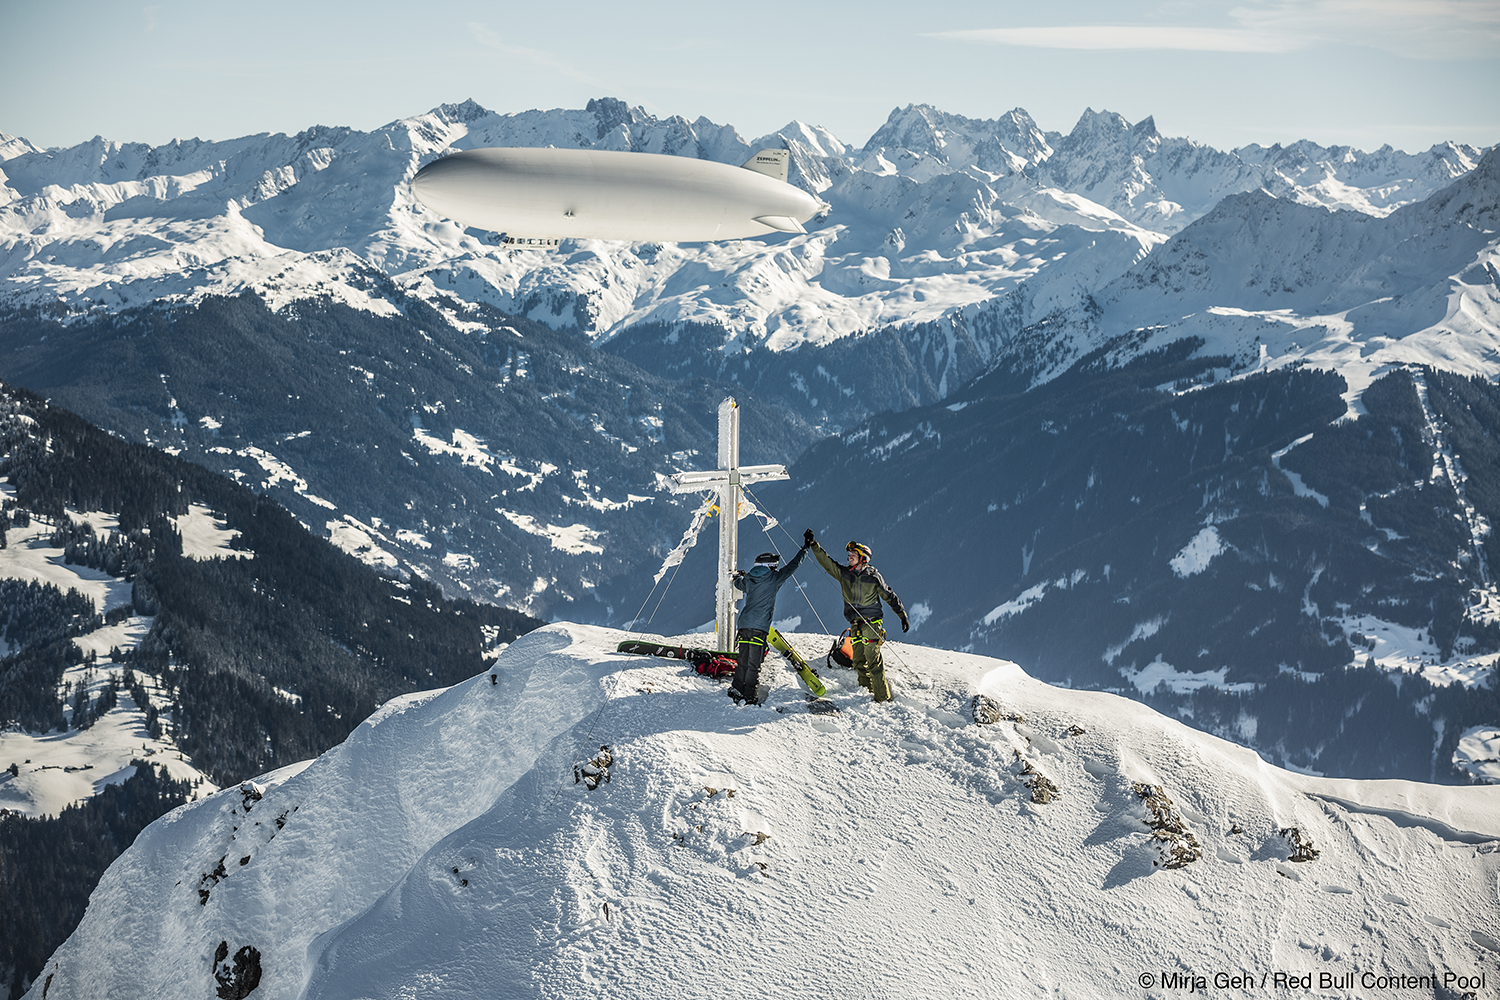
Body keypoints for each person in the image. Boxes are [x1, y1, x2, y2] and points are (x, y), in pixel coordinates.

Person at [806, 530, 908, 702]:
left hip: (872, 624)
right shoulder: (845, 574)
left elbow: (889, 595)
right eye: (849, 554)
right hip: (856, 625)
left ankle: (882, 698)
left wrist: (902, 614)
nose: (849, 557)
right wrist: (814, 545)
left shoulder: (874, 576)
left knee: (873, 662)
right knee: (859, 661)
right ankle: (867, 695)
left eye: (853, 554)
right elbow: (827, 563)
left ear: (863, 558)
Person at [728, 541, 810, 705]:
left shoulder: (749, 579)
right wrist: (805, 548)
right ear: (771, 565)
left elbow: (738, 582)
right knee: (754, 663)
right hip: (759, 627)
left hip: (743, 624)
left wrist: (739, 576)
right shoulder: (774, 578)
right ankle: (750, 696)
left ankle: (736, 689)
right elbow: (793, 566)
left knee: (743, 659)